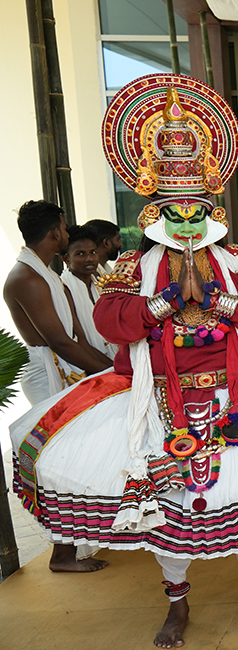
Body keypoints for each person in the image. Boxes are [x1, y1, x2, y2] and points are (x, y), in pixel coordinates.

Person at [10, 75, 238, 649]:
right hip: (156, 399)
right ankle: (176, 603)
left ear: (210, 208)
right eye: (173, 213)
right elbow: (111, 322)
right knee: (163, 505)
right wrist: (163, 304)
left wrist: (219, 301)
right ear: (154, 211)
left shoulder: (235, 259)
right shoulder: (130, 267)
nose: (184, 223)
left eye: (194, 211)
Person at [4, 201, 113, 573]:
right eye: (65, 230)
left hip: (65, 366)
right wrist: (108, 374)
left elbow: (76, 337)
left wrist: (110, 368)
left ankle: (78, 541)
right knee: (59, 461)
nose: (67, 234)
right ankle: (62, 554)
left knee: (78, 455)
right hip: (46, 372)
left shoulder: (45, 273)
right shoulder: (27, 278)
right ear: (55, 233)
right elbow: (60, 342)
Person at [60, 223, 115, 359]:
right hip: (87, 364)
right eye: (80, 254)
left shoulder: (100, 281)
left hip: (114, 356)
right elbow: (78, 340)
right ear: (66, 259)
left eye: (93, 252)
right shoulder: (63, 288)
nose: (89, 258)